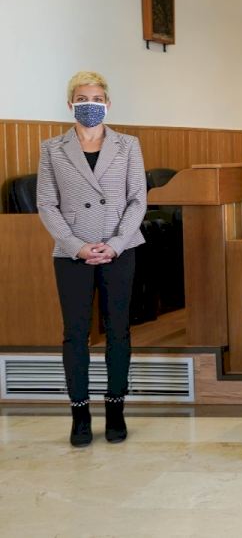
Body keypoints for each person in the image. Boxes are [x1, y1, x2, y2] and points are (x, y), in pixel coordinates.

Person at [37, 71, 147, 447]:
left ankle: (115, 408)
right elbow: (46, 203)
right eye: (83, 99)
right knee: (75, 333)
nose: (90, 105)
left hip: (120, 249)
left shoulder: (128, 145)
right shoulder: (52, 148)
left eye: (97, 99)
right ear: (71, 104)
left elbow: (138, 199)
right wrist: (75, 245)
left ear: (108, 103)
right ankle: (80, 413)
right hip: (72, 252)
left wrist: (115, 244)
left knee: (118, 330)